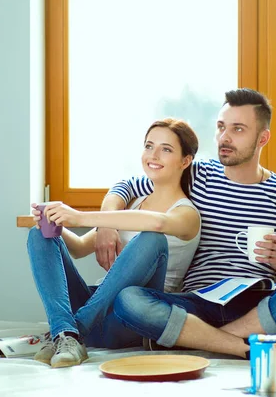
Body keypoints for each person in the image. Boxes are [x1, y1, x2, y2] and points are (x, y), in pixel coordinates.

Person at [96, 88, 276, 359]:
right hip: (195, 303)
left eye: (238, 129)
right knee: (129, 299)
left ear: (262, 138)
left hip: (254, 304)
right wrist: (106, 225)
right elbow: (125, 186)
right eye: (221, 127)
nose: (224, 137)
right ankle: (236, 344)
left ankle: (199, 341)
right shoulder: (196, 174)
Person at [27, 118, 201, 368]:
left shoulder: (187, 214)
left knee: (152, 239)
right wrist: (54, 222)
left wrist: (80, 216)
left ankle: (73, 330)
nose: (154, 155)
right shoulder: (131, 205)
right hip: (97, 306)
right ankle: (66, 333)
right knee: (39, 234)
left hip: (130, 316)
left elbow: (157, 224)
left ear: (185, 161)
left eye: (166, 149)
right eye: (149, 146)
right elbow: (77, 248)